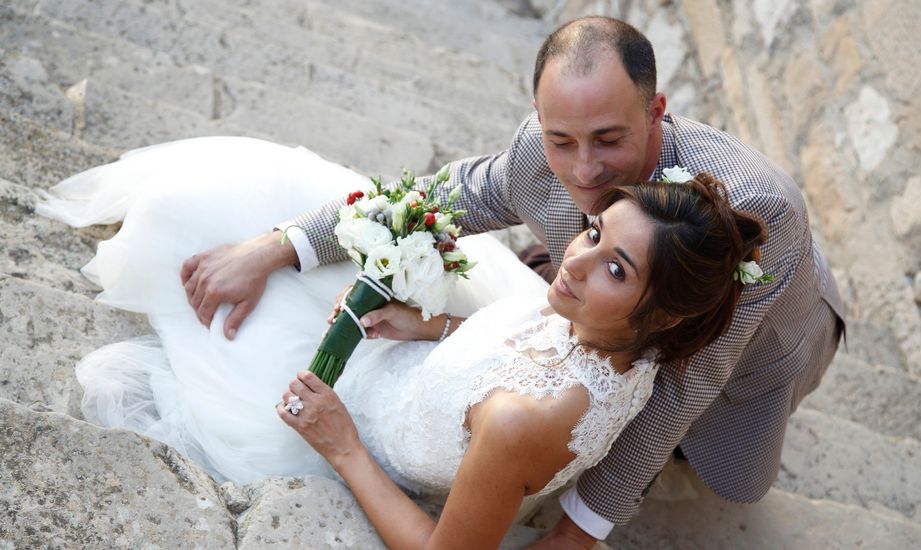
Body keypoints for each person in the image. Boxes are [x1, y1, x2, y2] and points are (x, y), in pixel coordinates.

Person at [176, 16, 845, 547]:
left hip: (764, 344)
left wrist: (576, 531)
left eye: (609, 138)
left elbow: (686, 382)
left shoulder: (763, 206)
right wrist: (277, 247)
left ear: (656, 111)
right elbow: (432, 200)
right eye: (561, 140)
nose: (583, 172)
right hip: (613, 328)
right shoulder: (540, 153)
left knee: (729, 475)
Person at [39, 132, 766, 547]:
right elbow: (528, 356)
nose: (572, 262)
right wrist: (437, 326)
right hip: (416, 361)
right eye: (594, 230)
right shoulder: (616, 339)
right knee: (225, 208)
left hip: (370, 437)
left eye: (614, 266)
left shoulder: (523, 423)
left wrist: (342, 445)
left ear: (664, 312)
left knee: (172, 269)